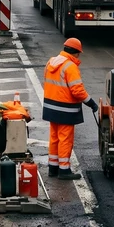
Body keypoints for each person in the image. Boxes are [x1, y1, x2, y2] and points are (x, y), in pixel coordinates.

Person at [42, 37, 98, 181]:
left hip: (50, 106)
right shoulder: (70, 66)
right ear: (76, 52)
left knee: (54, 138)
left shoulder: (51, 62)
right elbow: (77, 91)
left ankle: (53, 168)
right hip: (65, 109)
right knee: (65, 139)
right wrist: (91, 102)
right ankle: (64, 170)